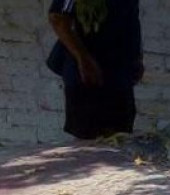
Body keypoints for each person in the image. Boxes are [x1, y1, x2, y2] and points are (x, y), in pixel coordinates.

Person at [48, 0, 144, 140]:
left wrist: (137, 58)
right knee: (88, 138)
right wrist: (84, 59)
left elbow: (130, 18)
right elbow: (58, 18)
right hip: (89, 73)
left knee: (119, 135)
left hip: (119, 71)